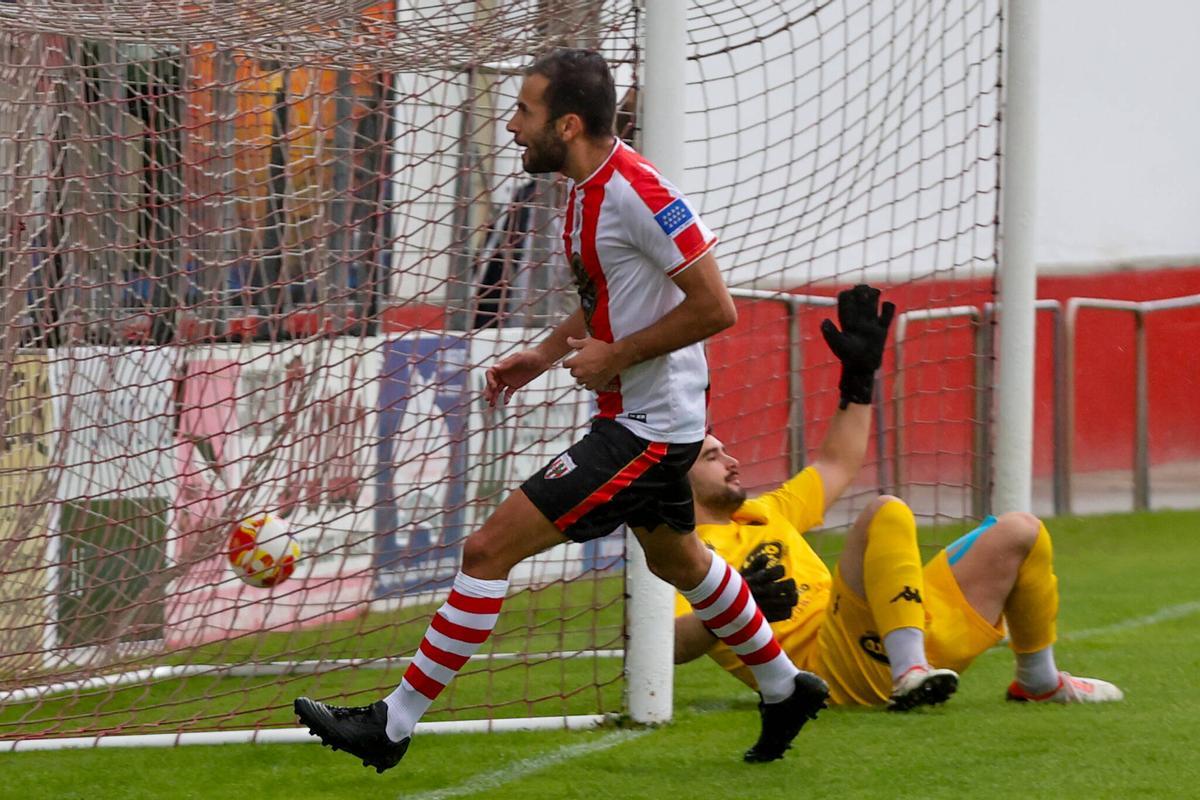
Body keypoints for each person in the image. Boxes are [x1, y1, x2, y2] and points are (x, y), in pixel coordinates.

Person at [294, 48, 829, 773]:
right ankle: (785, 686)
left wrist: (617, 355)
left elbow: (717, 307)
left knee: (487, 550)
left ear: (568, 124)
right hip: (639, 417)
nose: (513, 125)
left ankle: (391, 725)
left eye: (525, 110)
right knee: (678, 558)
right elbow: (603, 298)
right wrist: (544, 354)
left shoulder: (640, 194)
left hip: (649, 429)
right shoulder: (582, 192)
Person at [675, 285, 1124, 709]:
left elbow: (836, 463)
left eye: (725, 450)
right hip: (829, 672)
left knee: (1020, 530)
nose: (731, 460)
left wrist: (859, 378)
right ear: (677, 476)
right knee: (885, 510)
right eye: (712, 456)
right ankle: (910, 670)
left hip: (896, 633)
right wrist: (731, 609)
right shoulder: (680, 553)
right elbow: (669, 646)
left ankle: (1038, 681)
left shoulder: (765, 511)